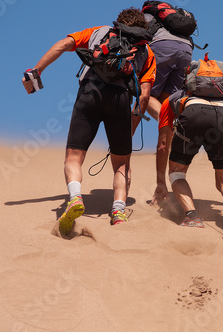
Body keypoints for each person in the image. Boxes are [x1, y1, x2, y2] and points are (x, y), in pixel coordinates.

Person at [22, 8, 156, 235]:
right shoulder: (146, 51)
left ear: (119, 22)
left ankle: (75, 198)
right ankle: (119, 211)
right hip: (120, 99)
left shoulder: (99, 32)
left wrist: (37, 71)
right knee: (122, 163)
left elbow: (63, 45)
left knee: (74, 157)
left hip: (90, 93)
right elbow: (143, 96)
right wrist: (129, 130)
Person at [150, 59, 223, 240]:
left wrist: (160, 182)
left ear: (188, 79)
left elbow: (163, 144)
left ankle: (192, 216)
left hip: (192, 114)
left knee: (177, 174)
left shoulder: (174, 99)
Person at [131, 1, 194, 133]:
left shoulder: (148, 16)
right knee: (166, 103)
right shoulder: (175, 20)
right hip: (186, 50)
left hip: (162, 48)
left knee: (144, 95)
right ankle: (171, 141)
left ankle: (123, 145)